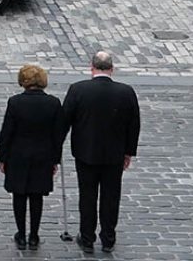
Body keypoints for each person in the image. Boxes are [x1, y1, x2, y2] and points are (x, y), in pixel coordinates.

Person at [58, 51, 141, 254]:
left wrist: (56, 145)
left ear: (91, 67)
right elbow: (134, 125)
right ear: (112, 69)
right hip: (114, 155)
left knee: (87, 196)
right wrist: (128, 152)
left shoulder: (78, 90)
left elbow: (64, 121)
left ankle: (87, 238)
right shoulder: (126, 92)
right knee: (111, 197)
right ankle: (108, 238)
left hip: (85, 153)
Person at [0, 63, 61, 250]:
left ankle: (21, 234)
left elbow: (6, 133)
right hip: (43, 155)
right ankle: (34, 235)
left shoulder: (15, 102)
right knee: (36, 195)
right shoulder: (53, 103)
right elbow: (57, 136)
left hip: (18, 155)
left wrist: (3, 157)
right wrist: (55, 159)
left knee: (19, 195)